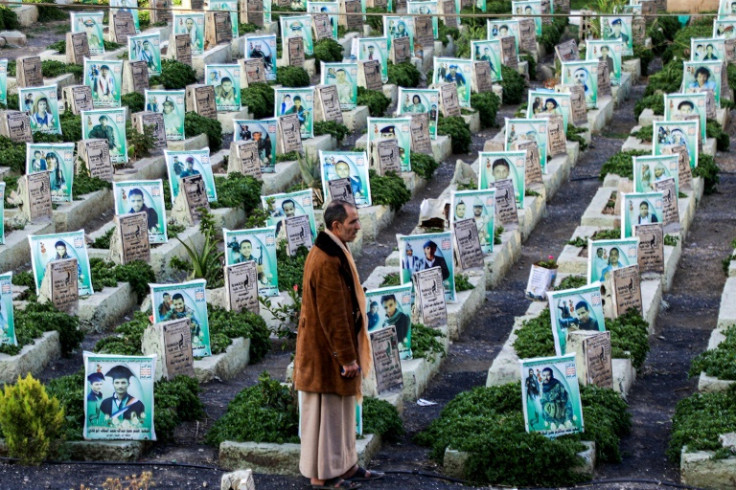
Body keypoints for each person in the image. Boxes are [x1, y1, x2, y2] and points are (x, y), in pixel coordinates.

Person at [293, 200, 383, 489]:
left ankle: (345, 466)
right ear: (336, 226)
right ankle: (323, 476)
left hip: (327, 352)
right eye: (353, 222)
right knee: (326, 417)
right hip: (326, 355)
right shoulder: (327, 261)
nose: (358, 226)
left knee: (340, 414)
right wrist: (346, 358)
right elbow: (333, 316)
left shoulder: (332, 250)